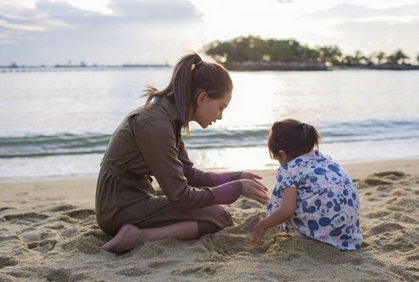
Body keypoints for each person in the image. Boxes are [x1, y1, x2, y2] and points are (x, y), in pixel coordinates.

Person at [95, 52, 270, 253]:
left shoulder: (168, 116)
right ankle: (138, 236)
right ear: (202, 98)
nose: (220, 116)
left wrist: (237, 177)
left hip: (132, 196)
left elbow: (189, 175)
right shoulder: (157, 125)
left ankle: (139, 230)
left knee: (211, 208)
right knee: (219, 216)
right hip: (118, 208)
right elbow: (182, 197)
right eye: (221, 107)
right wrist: (235, 189)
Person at [252, 119, 362, 250]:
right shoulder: (325, 159)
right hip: (347, 232)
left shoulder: (289, 170)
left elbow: (287, 210)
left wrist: (264, 224)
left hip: (320, 231)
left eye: (276, 158)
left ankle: (308, 235)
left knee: (279, 198)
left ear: (282, 154)